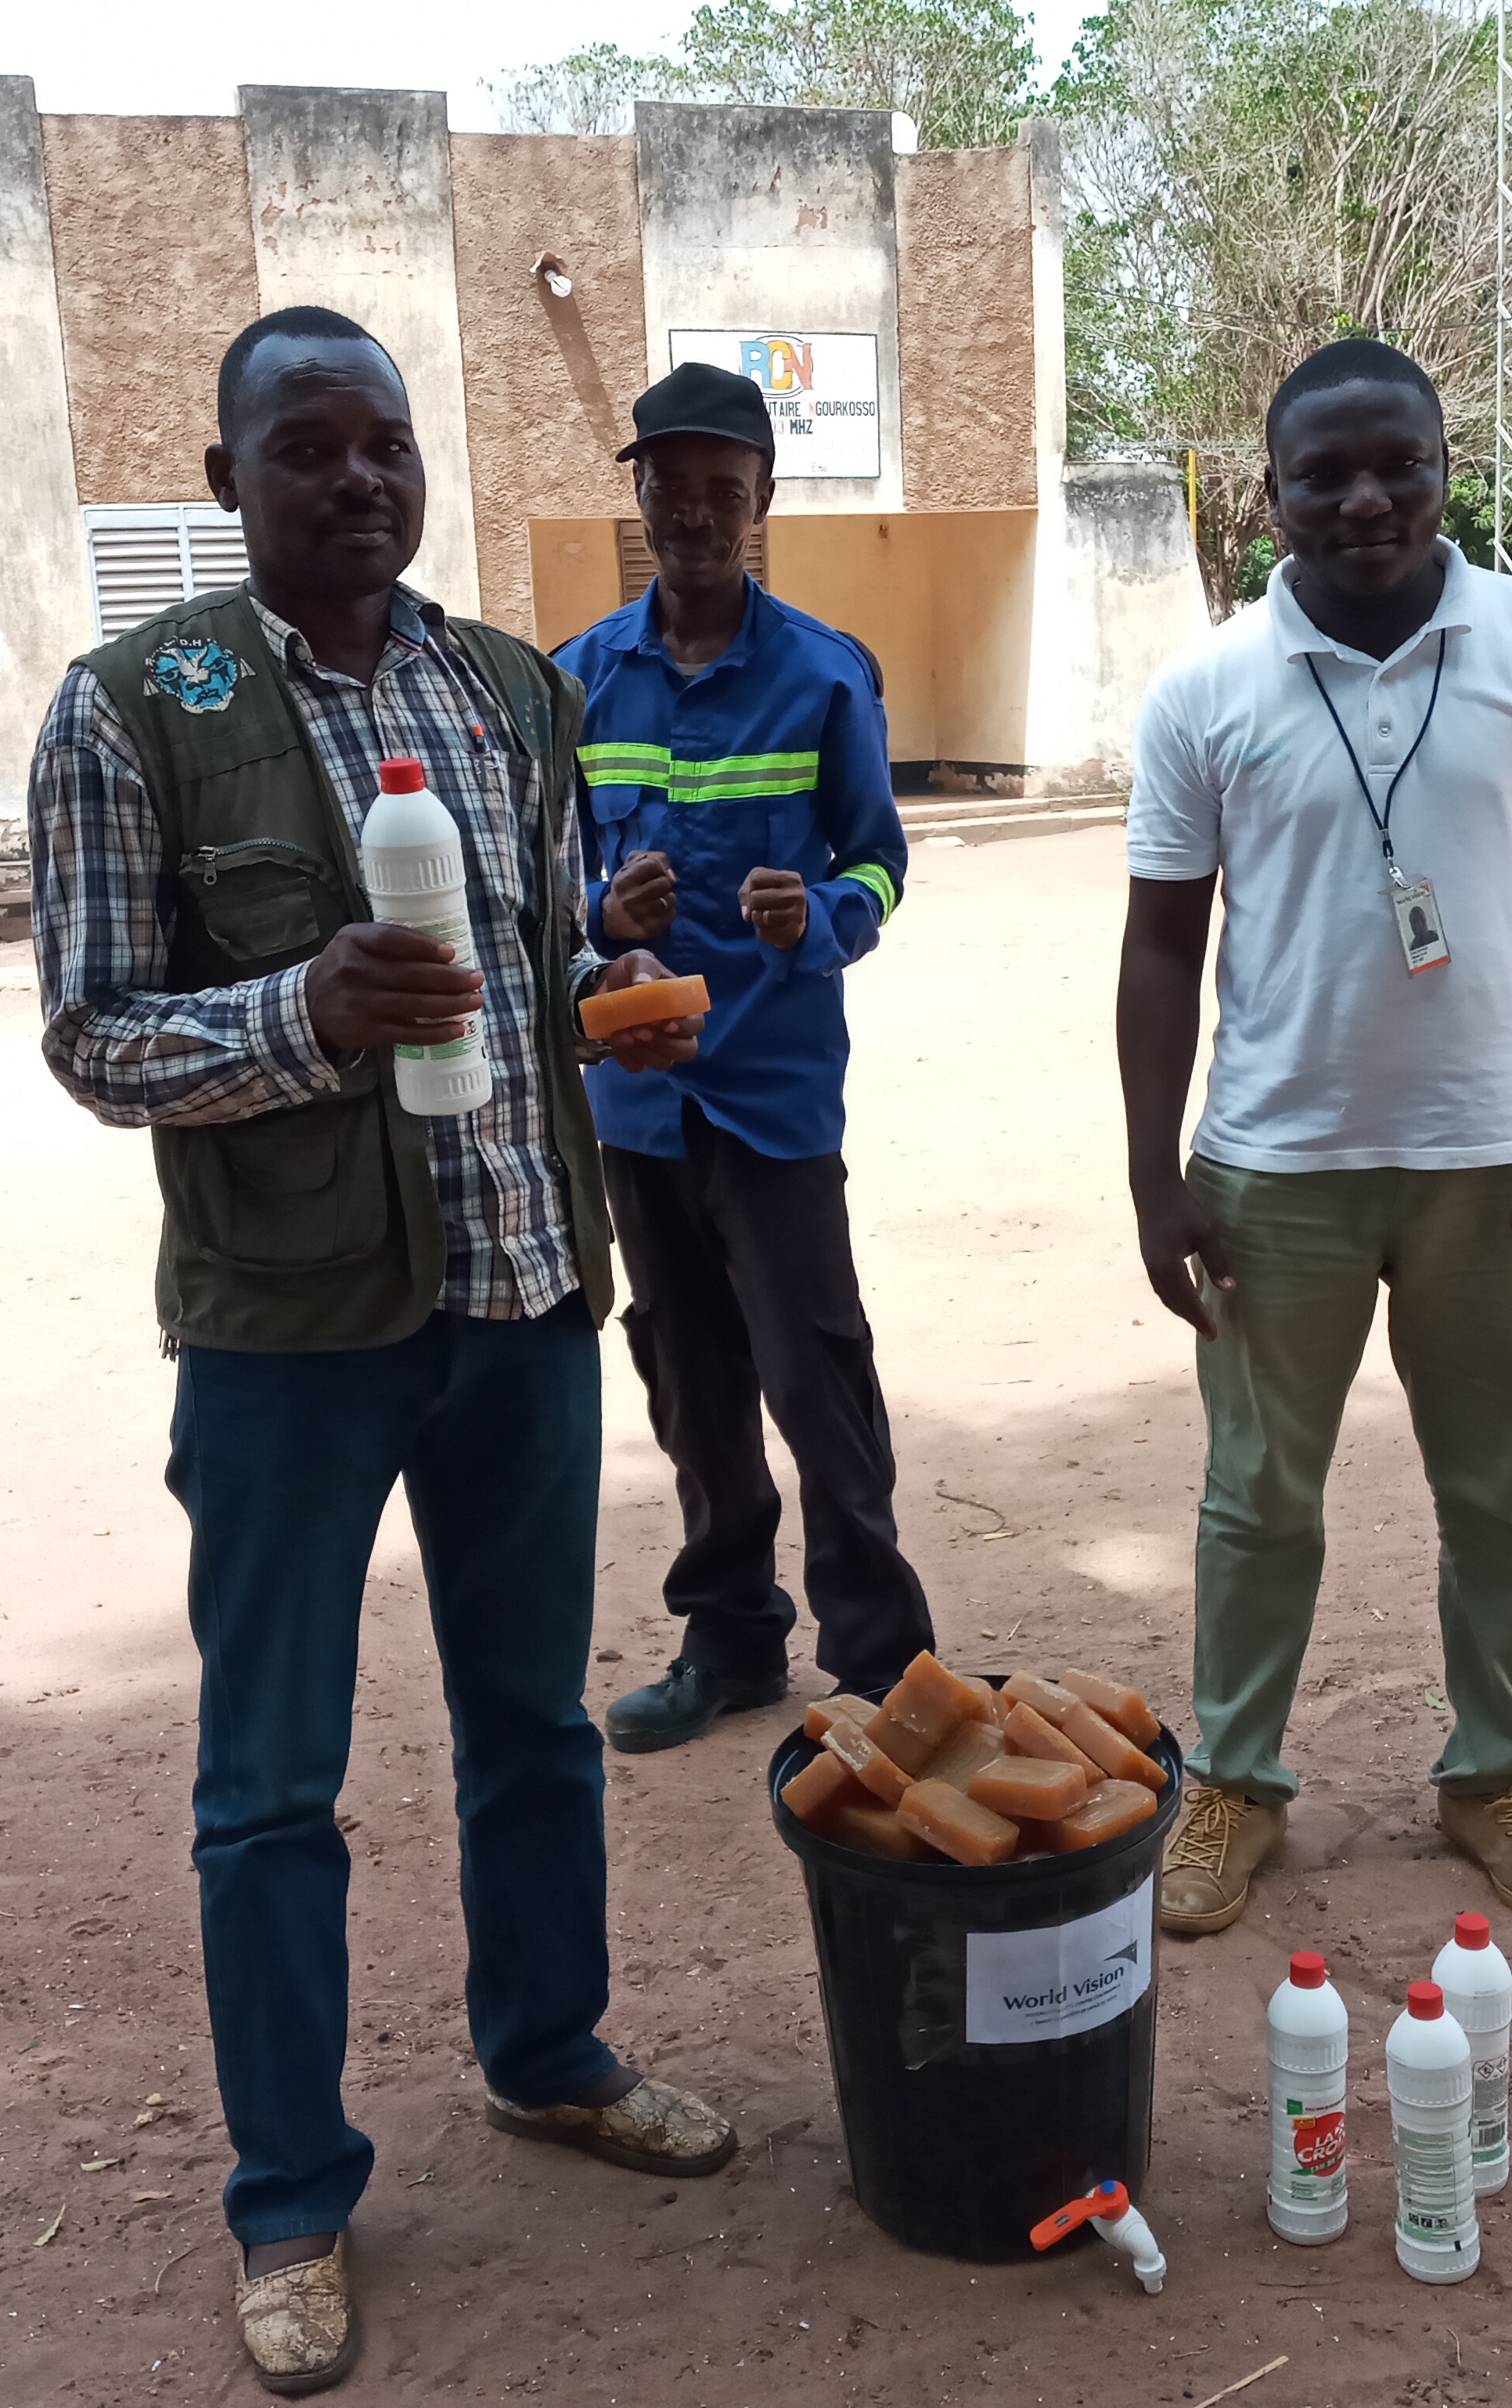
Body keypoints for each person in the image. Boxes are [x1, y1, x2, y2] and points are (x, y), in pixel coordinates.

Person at [27, 304, 737, 2399]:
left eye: (384, 444)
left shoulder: (508, 684)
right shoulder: (133, 711)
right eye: (306, 447)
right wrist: (299, 1019)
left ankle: (549, 2055)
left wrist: (619, 961)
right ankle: (290, 2198)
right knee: (273, 1784)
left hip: (523, 1297)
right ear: (230, 477)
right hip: (289, 1336)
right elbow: (91, 1037)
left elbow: (535, 958)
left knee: (533, 1724)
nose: (356, 478)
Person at [1114, 337, 1512, 1940]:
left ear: (1441, 465)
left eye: (1395, 464)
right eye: (1321, 475)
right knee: (1255, 1495)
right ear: (1267, 495)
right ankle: (1233, 1782)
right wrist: (1155, 1175)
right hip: (1273, 1161)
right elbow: (1160, 945)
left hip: (1495, 1154)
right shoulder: (1206, 689)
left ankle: (1492, 1773)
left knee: (1505, 1492)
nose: (1363, 499)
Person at [553, 362, 936, 1750]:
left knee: (815, 1369)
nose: (699, 514)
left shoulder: (826, 676)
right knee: (686, 1374)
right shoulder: (574, 684)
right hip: (639, 1098)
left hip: (774, 1094)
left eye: (728, 489)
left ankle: (889, 1665)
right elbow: (547, 893)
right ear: (640, 497)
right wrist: (604, 920)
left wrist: (824, 911)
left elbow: (884, 865)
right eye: (674, 487)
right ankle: (729, 1642)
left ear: (764, 499)